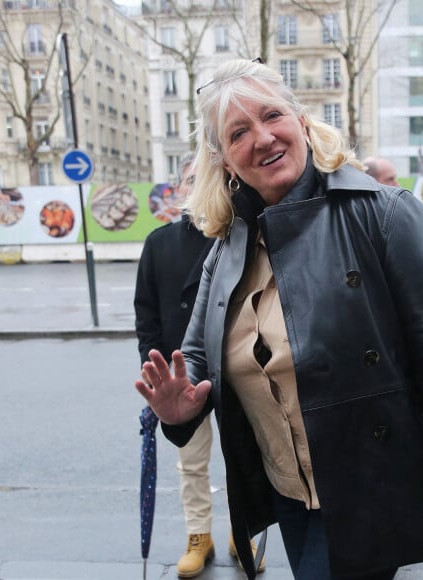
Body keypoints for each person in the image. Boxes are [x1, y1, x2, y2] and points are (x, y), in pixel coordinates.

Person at [135, 59, 423, 580]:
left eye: (272, 116)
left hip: (366, 486)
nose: (262, 138)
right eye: (239, 132)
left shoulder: (384, 213)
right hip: (289, 492)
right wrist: (179, 407)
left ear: (301, 120)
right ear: (224, 161)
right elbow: (195, 355)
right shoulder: (227, 248)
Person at [134, 152, 263, 578]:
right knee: (190, 463)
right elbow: (146, 313)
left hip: (233, 373)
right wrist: (155, 377)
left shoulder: (237, 238)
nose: (200, 186)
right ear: (178, 189)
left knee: (242, 456)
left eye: (209, 178)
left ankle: (242, 530)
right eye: (192, 179)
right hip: (180, 378)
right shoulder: (159, 243)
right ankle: (198, 537)